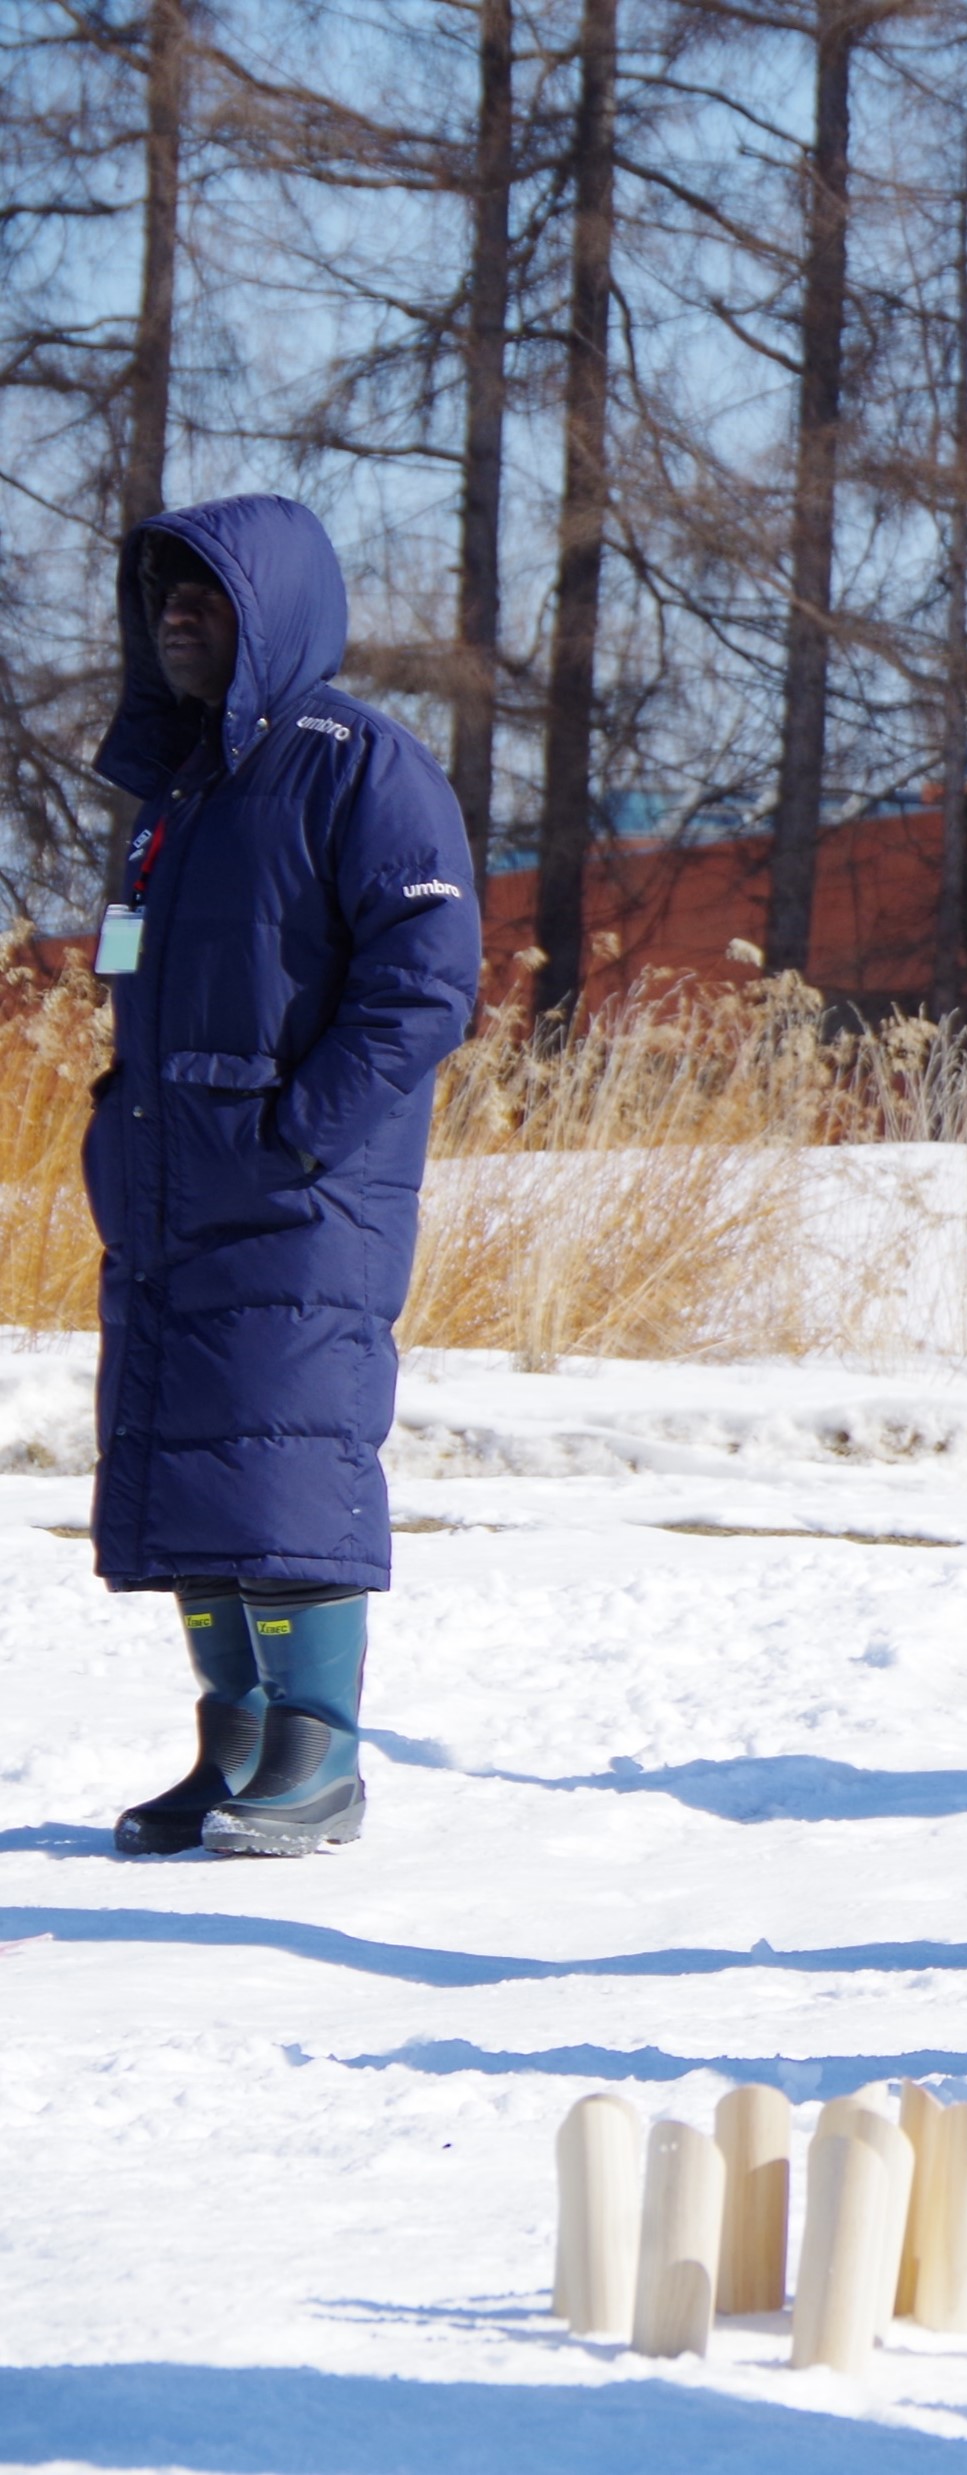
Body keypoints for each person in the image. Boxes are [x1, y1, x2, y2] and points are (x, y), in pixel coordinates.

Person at [92, 495, 481, 1859]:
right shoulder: (173, 799)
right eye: (164, 597)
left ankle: (318, 1754)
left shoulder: (354, 765)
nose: (179, 616)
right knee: (192, 1472)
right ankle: (237, 1738)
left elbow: (426, 982)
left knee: (288, 1463)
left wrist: (298, 1134)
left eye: (209, 595)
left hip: (301, 1196)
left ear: (276, 611)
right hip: (167, 1190)